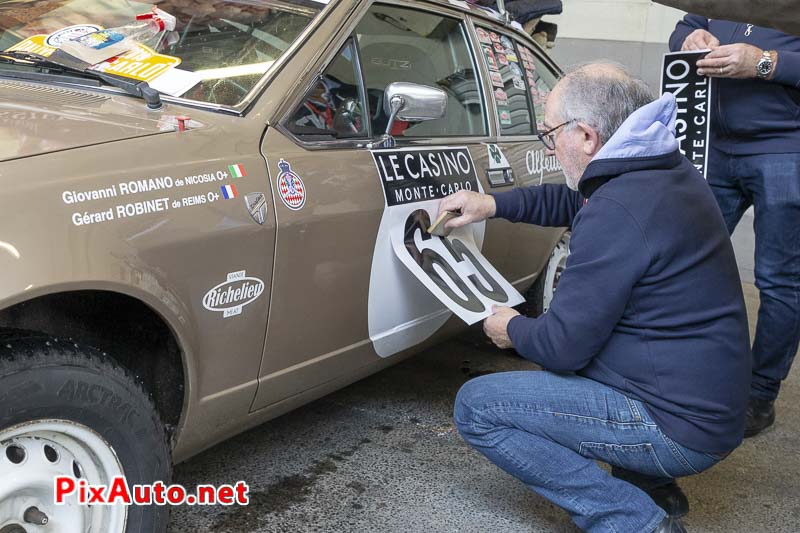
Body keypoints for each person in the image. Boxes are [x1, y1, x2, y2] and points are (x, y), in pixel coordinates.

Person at [442, 62, 751, 533]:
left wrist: (510, 327)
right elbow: (578, 200)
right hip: (707, 402)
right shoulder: (658, 169)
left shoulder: (618, 209)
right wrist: (493, 203)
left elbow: (562, 345)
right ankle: (650, 483)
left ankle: (634, 521)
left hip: (678, 424)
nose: (549, 144)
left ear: (586, 136)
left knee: (478, 407)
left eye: (549, 134)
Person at [669, 17, 800, 437]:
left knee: (779, 281)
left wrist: (764, 63)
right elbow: (685, 24)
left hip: (784, 147)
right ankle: (684, 372)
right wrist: (687, 38)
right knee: (683, 265)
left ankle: (759, 394)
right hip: (712, 144)